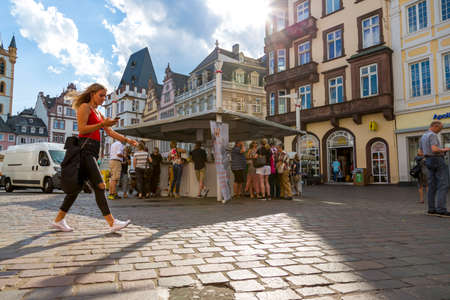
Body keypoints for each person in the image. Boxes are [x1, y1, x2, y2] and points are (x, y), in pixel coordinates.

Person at [51, 83, 138, 233]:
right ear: (92, 94)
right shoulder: (85, 107)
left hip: (92, 152)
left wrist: (127, 140)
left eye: (105, 96)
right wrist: (102, 124)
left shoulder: (98, 113)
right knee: (100, 186)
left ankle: (59, 220)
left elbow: (109, 132)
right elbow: (82, 129)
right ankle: (112, 222)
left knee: (76, 190)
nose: (104, 99)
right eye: (101, 95)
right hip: (84, 152)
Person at [418, 121, 450, 217]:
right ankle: (441, 209)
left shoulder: (423, 136)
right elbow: (435, 149)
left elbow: (419, 152)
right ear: (435, 126)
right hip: (437, 160)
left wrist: (427, 155)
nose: (439, 131)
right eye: (439, 129)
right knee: (443, 184)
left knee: (432, 185)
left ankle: (431, 209)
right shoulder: (432, 135)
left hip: (428, 161)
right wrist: (445, 149)